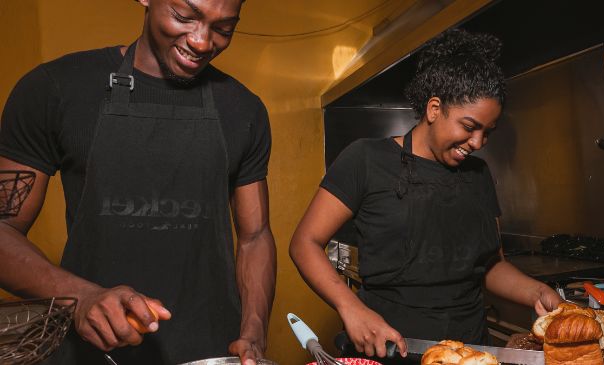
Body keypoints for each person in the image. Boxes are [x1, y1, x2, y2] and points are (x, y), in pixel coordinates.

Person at [0, 0, 275, 364]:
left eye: (223, 29)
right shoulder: (56, 89)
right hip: (93, 352)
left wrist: (254, 331)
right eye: (184, 17)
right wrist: (80, 296)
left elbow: (255, 238)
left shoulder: (243, 110)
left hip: (210, 353)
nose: (201, 41)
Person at [289, 29, 563, 362]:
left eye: (487, 132)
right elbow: (305, 242)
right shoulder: (365, 159)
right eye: (469, 126)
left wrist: (536, 290)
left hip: (470, 353)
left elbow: (490, 266)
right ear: (434, 109)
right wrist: (351, 308)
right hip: (390, 350)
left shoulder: (478, 175)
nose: (478, 143)